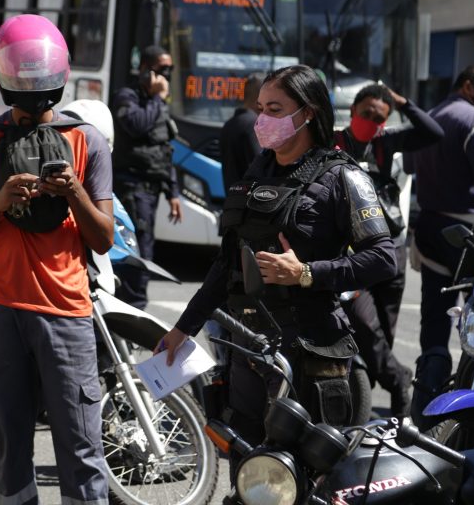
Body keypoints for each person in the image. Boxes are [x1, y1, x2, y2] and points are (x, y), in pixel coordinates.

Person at [155, 65, 397, 479]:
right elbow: (226, 263)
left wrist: (306, 272)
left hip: (308, 353)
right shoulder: (258, 171)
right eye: (260, 107)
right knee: (247, 475)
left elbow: (383, 258)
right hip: (247, 349)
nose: (262, 119)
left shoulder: (343, 175)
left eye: (275, 108)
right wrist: (183, 328)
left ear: (308, 112)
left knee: (301, 479)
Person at [0, 15, 113, 505]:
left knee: (82, 447)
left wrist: (74, 191)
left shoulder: (87, 140)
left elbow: (102, 239)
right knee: (9, 446)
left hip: (66, 310)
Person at [334, 84, 444, 418]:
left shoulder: (386, 142)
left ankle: (379, 413)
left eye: (379, 118)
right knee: (364, 327)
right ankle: (398, 383)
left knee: (380, 340)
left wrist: (403, 103)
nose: (371, 121)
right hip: (353, 255)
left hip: (390, 252)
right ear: (353, 110)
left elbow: (433, 132)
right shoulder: (333, 142)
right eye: (366, 113)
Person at [408, 65, 474, 427]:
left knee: (435, 318)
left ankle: (425, 403)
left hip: (429, 226)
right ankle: (472, 405)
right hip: (466, 232)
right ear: (468, 86)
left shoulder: (431, 116)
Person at [110, 44, 182, 309]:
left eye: (169, 71)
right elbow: (136, 125)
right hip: (132, 186)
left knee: (145, 249)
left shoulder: (156, 101)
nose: (166, 76)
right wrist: (157, 99)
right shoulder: (127, 96)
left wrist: (172, 192)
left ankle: (133, 306)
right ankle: (131, 307)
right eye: (161, 70)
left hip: (151, 190)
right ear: (145, 70)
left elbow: (163, 149)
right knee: (137, 251)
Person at [220, 72, 264, 192]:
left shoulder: (229, 124)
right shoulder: (253, 124)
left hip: (233, 200)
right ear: (260, 97)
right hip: (249, 202)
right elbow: (259, 167)